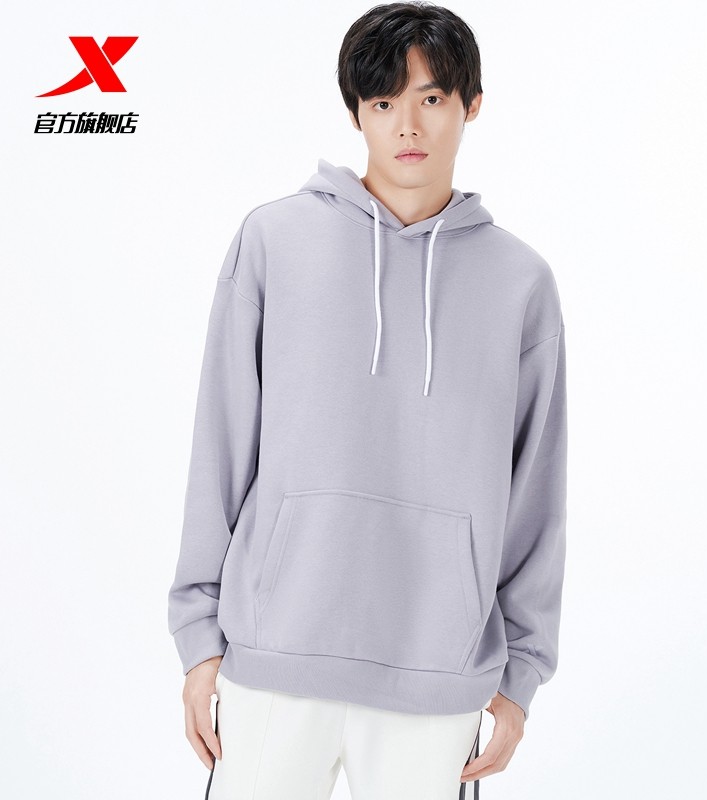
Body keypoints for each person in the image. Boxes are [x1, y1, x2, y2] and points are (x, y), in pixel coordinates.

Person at [167, 2, 568, 798]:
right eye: (383, 102)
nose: (407, 125)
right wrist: (198, 637)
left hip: (438, 673)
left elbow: (537, 493)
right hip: (274, 656)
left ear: (471, 104)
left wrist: (521, 676)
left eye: (432, 98)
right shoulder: (274, 241)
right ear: (357, 113)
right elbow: (221, 442)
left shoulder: (520, 284)